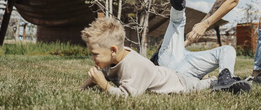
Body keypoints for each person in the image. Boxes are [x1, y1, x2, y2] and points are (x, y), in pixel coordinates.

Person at [151, 0, 250, 94]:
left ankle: (179, 0)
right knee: (227, 50)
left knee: (177, 23)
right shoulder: (174, 53)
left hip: (180, 70)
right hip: (177, 69)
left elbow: (180, 50)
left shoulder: (175, 50)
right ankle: (225, 79)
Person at [79, 15, 215, 96]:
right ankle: (201, 76)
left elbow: (127, 96)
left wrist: (105, 86)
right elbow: (97, 76)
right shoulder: (111, 60)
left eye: (95, 54)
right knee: (196, 79)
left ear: (113, 50)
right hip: (168, 74)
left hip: (179, 84)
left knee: (202, 85)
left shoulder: (134, 65)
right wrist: (80, 89)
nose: (92, 58)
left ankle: (212, 79)